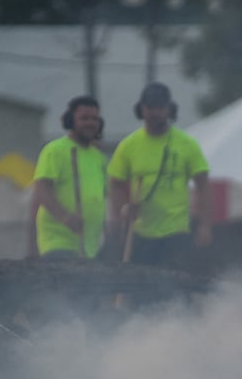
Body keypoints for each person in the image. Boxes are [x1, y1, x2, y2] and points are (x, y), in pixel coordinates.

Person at [106, 82, 212, 269]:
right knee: (142, 289)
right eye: (150, 107)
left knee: (174, 288)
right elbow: (115, 183)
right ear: (141, 110)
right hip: (140, 233)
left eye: (160, 107)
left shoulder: (187, 144)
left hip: (176, 232)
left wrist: (204, 226)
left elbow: (203, 186)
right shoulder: (128, 145)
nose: (155, 113)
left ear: (169, 109)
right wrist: (122, 209)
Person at [32, 95, 109, 259]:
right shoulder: (55, 150)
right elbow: (42, 188)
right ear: (70, 120)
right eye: (84, 118)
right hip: (58, 241)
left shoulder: (99, 157)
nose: (90, 123)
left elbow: (107, 193)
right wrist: (64, 217)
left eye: (94, 118)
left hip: (89, 245)